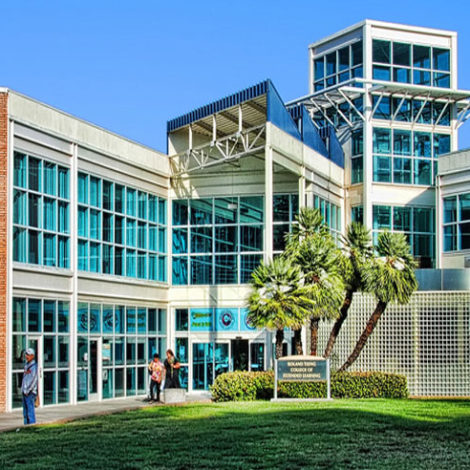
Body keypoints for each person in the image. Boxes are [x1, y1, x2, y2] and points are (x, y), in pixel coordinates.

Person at [22, 348, 38, 425]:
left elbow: (34, 380)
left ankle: (32, 425)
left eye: (28, 355)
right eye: (26, 354)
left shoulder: (34, 367)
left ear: (32, 356)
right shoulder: (26, 365)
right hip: (24, 391)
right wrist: (23, 389)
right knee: (25, 412)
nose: (26, 356)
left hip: (30, 392)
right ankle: (26, 425)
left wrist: (28, 390)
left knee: (30, 411)